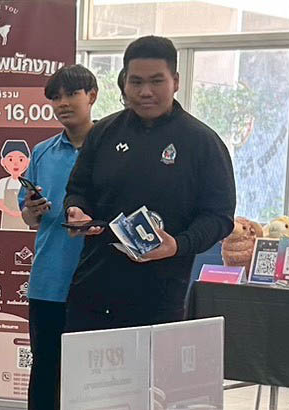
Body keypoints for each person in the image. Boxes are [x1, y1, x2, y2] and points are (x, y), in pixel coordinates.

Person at [62, 35, 236, 331]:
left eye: (156, 81)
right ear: (124, 83)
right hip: (92, 290)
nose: (145, 92)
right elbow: (78, 190)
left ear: (175, 81)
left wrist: (178, 245)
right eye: (136, 82)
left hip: (160, 299)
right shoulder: (103, 133)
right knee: (83, 363)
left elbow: (220, 217)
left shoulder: (202, 142)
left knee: (152, 363)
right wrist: (76, 210)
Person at [20, 64, 97, 410]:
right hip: (48, 281)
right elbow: (28, 216)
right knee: (45, 374)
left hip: (97, 282)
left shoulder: (110, 149)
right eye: (56, 97)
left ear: (92, 96)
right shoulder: (42, 152)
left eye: (72, 94)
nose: (63, 103)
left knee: (92, 380)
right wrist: (32, 209)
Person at [0, 140, 31, 231]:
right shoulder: (3, 182)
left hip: (23, 220)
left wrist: (22, 213)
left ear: (28, 162)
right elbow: (0, 204)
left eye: (21, 160)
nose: (16, 164)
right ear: (3, 162)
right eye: (10, 160)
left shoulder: (28, 183)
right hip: (7, 220)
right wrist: (12, 213)